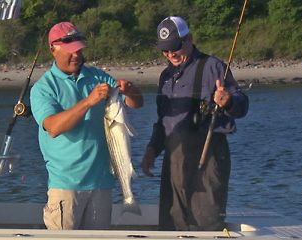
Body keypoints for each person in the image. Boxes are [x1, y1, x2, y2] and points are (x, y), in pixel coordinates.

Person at [30, 21, 143, 230]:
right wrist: (89, 101)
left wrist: (130, 90)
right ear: (53, 49)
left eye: (80, 50)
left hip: (102, 183)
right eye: (71, 51)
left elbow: (136, 103)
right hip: (66, 186)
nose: (77, 56)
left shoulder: (98, 76)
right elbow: (53, 127)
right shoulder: (43, 88)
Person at [141, 16, 249, 231]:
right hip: (173, 160)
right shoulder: (165, 76)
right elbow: (163, 121)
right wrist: (152, 150)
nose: (170, 54)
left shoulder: (213, 67)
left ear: (189, 39)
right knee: (171, 223)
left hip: (208, 158)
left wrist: (228, 101)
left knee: (205, 223)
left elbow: (242, 105)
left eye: (175, 47)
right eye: (165, 50)